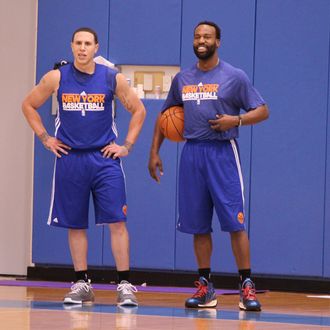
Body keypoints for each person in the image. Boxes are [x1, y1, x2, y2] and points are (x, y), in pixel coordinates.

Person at [148, 21, 269, 311]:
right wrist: (154, 152)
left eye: (207, 36)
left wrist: (236, 120)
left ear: (218, 41)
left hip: (223, 153)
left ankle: (246, 286)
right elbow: (165, 116)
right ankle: (205, 287)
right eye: (197, 36)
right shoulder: (183, 78)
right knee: (198, 225)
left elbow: (262, 110)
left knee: (235, 223)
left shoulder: (234, 76)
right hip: (192, 154)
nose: (201, 40)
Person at [22, 27, 146, 306]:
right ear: (71, 46)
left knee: (117, 221)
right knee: (75, 224)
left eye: (87, 43)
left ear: (96, 48)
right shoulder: (56, 77)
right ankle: (81, 283)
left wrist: (126, 145)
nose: (82, 48)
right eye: (78, 43)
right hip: (70, 158)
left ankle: (124, 284)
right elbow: (28, 105)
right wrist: (45, 138)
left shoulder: (112, 78)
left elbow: (139, 110)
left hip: (104, 159)